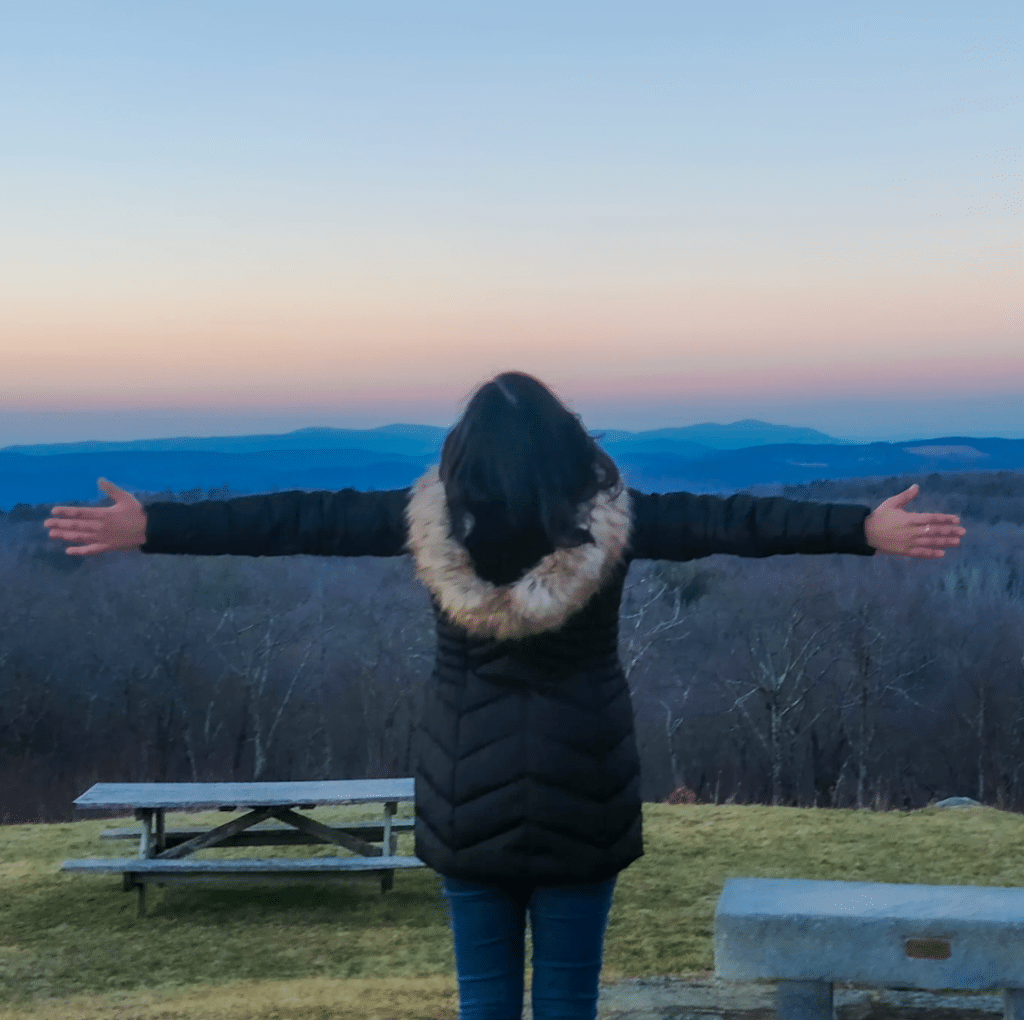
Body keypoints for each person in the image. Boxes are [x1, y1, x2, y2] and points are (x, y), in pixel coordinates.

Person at [45, 371, 965, 1020]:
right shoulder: (618, 526)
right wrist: (860, 528)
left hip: (465, 797)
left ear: (465, 454)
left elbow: (291, 516)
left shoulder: (430, 522)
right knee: (566, 1005)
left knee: (485, 1005)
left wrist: (152, 526)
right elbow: (740, 522)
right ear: (570, 447)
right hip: (584, 793)